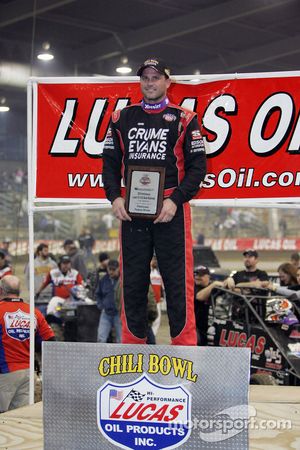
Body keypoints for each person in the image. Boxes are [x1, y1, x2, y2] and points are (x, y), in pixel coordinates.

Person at [103, 57, 207, 345]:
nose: (150, 82)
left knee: (178, 283)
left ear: (167, 81)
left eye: (156, 77)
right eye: (145, 78)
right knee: (133, 283)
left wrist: (176, 201)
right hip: (132, 210)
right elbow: (109, 164)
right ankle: (133, 351)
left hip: (171, 209)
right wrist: (114, 198)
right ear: (140, 82)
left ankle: (185, 352)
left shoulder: (186, 118)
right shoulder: (120, 118)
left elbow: (199, 167)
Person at [0, 275, 55, 413]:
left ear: (1, 290)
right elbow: (50, 342)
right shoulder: (33, 312)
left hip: (5, 372)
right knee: (19, 418)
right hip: (28, 373)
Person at [24, 243, 57, 316]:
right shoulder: (32, 264)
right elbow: (27, 278)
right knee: (38, 317)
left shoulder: (53, 264)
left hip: (50, 295)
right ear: (39, 252)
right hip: (37, 296)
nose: (47, 252)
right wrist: (32, 290)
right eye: (45, 250)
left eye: (47, 250)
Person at [194, 266, 224, 345]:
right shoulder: (192, 286)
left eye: (200, 275)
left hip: (210, 327)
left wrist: (229, 281)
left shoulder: (213, 287)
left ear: (208, 277)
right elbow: (199, 297)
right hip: (195, 327)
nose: (197, 277)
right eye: (195, 275)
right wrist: (214, 284)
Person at [96, 259, 121, 343]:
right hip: (106, 313)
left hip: (119, 314)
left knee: (121, 339)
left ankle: (122, 356)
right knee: (101, 338)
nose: (111, 272)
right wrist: (101, 306)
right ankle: (100, 355)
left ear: (118, 268)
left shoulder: (123, 280)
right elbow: (98, 294)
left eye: (113, 269)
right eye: (109, 269)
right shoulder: (103, 280)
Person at [149, 255, 164, 336]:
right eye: (153, 260)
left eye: (156, 260)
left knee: (157, 320)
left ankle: (153, 336)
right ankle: (150, 337)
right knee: (150, 320)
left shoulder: (158, 272)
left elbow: (160, 286)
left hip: (157, 301)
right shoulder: (148, 272)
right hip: (150, 301)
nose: (155, 261)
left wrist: (162, 296)